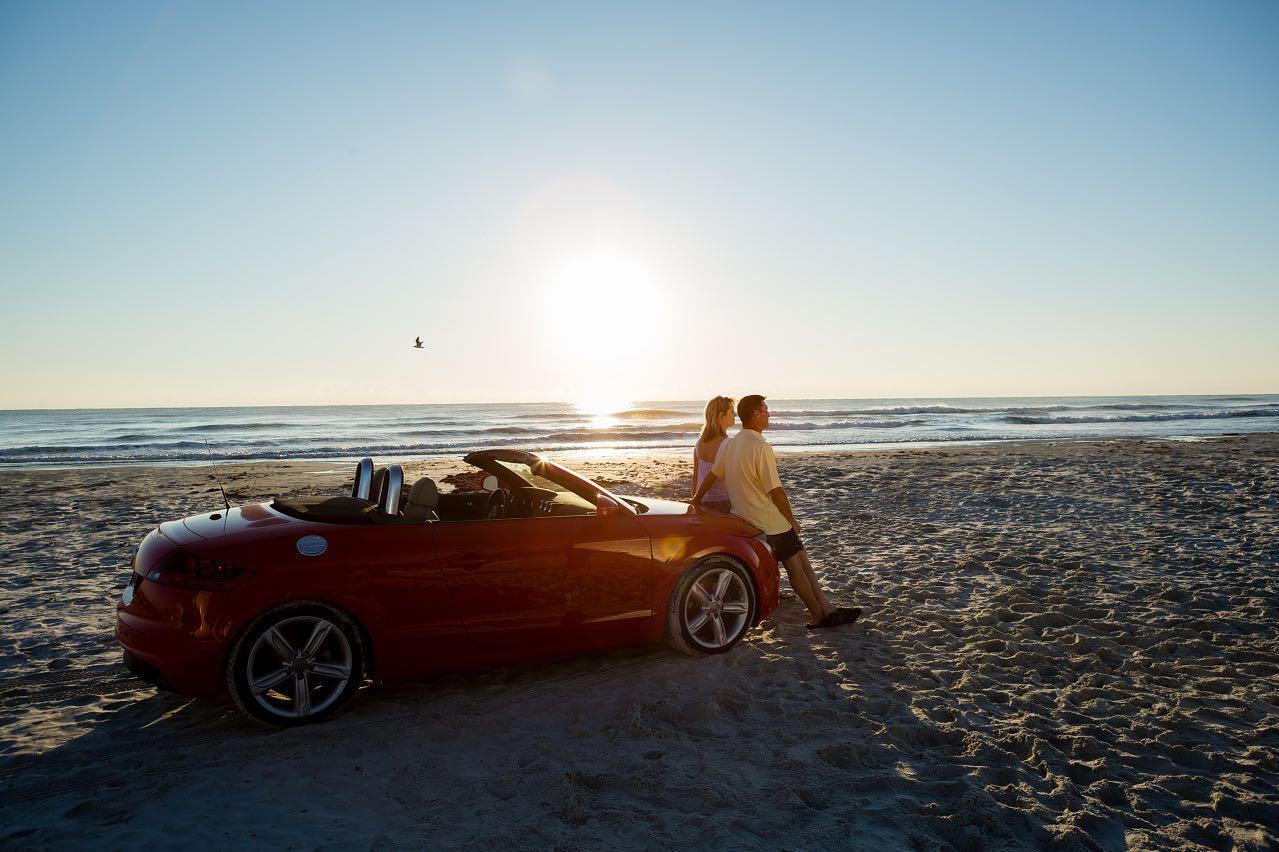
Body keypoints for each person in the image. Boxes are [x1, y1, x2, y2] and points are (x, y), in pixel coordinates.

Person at [692, 394, 861, 629]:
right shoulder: (760, 446)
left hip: (742, 516)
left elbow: (712, 475)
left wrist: (696, 500)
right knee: (796, 567)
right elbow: (776, 491)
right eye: (766, 409)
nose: (769, 413)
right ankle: (817, 614)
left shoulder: (730, 444)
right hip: (768, 521)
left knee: (802, 558)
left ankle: (826, 607)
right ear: (755, 414)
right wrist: (790, 519)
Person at [692, 395, 735, 513]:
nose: (735, 415)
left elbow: (695, 476)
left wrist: (695, 500)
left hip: (702, 500)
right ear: (721, 416)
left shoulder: (699, 442)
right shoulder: (728, 443)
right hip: (724, 501)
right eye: (731, 411)